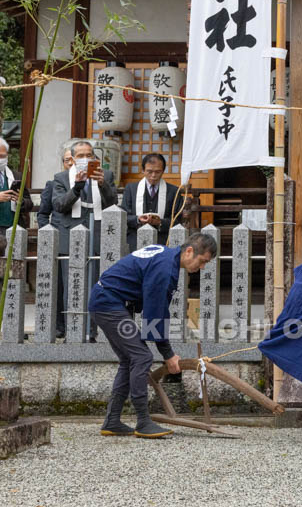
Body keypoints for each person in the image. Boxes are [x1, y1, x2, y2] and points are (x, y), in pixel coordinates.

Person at [89, 232, 216, 438]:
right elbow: (155, 312)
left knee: (129, 359)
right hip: (108, 305)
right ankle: (143, 422)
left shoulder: (167, 257)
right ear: (190, 251)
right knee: (142, 356)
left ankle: (112, 421)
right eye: (202, 262)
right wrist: (168, 354)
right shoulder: (165, 268)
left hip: (106, 301)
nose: (201, 268)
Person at [51, 141, 117, 341]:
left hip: (98, 235)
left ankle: (93, 331)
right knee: (72, 285)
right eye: (80, 155)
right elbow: (60, 205)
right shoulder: (61, 178)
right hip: (70, 236)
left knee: (97, 285)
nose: (85, 159)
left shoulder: (107, 176)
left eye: (89, 154)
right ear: (71, 159)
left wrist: (102, 184)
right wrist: (77, 187)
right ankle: (73, 330)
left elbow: (112, 203)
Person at [38, 148, 73, 339]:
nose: (71, 163)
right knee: (60, 286)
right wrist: (49, 233)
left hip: (83, 241)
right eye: (67, 160)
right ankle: (60, 326)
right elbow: (43, 213)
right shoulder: (53, 184)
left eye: (73, 159)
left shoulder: (90, 185)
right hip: (59, 241)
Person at [121, 153, 182, 249]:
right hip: (135, 239)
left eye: (157, 172)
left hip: (163, 240)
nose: (153, 175)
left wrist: (159, 222)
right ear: (143, 170)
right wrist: (138, 219)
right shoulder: (131, 189)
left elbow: (178, 220)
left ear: (163, 171)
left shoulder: (174, 191)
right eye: (149, 171)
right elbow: (124, 216)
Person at [0, 137, 33, 238]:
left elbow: (29, 204)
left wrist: (21, 201)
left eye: (2, 156)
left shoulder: (16, 176)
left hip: (13, 228)